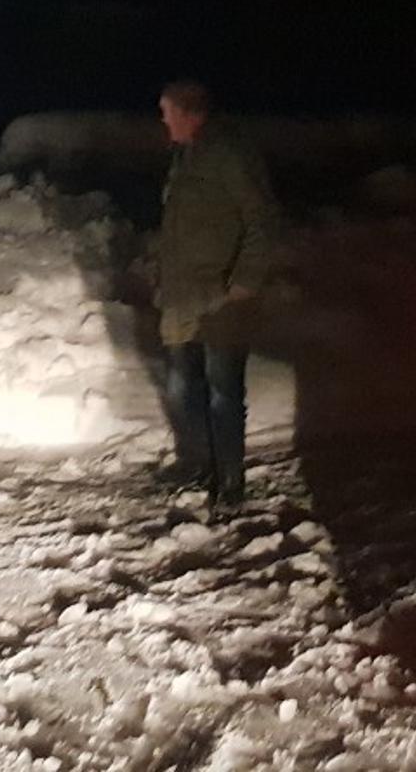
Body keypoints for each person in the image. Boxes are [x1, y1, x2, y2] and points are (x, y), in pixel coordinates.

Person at [152, 79, 278, 511]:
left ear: (189, 113)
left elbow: (262, 220)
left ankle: (230, 481)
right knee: (182, 385)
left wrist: (245, 281)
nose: (163, 120)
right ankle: (197, 463)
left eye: (167, 112)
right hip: (182, 294)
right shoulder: (185, 155)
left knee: (223, 390)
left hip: (222, 294)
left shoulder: (229, 153)